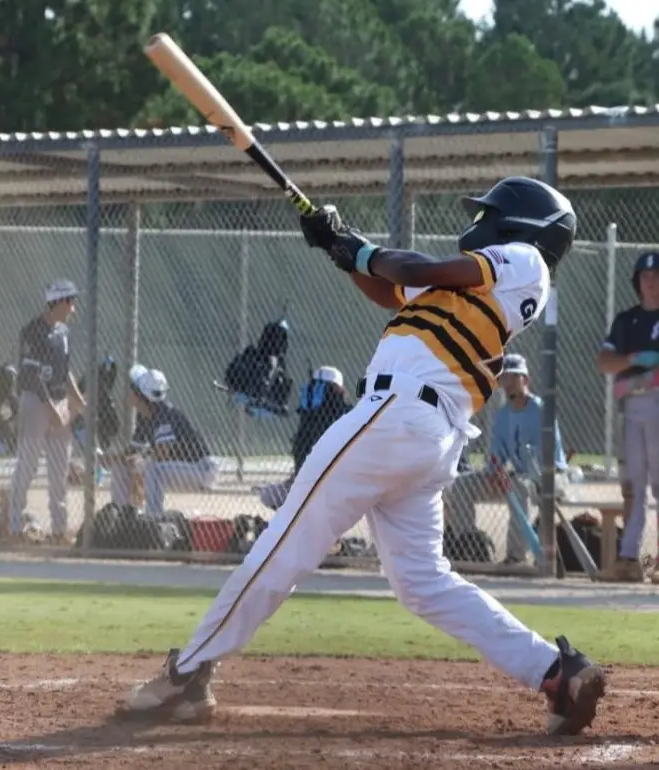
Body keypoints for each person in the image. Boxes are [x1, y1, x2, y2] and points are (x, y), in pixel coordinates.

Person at [124, 176, 605, 735]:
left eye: (489, 214)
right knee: (422, 582)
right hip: (422, 436)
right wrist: (339, 246)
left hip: (396, 417)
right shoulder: (463, 293)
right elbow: (392, 287)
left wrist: (363, 250)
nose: (478, 222)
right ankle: (555, 673)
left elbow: (416, 267)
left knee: (287, 540)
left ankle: (189, 671)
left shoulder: (525, 261)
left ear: (521, 223)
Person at [443, 353, 568, 564]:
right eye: (504, 378)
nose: (507, 383)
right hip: (514, 476)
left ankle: (515, 556)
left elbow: (549, 458)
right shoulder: (503, 415)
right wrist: (495, 471)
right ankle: (468, 545)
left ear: (526, 380)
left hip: (547, 476)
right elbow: (496, 453)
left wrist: (517, 475)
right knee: (462, 484)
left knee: (519, 487)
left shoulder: (540, 411)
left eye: (513, 377)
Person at [596, 250, 659, 583]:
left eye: (657, 276)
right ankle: (630, 558)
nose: (651, 282)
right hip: (633, 408)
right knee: (634, 486)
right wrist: (636, 360)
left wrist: (641, 376)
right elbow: (605, 362)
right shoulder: (627, 320)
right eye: (646, 277)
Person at [7, 280, 85, 544]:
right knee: (27, 465)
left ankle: (59, 531)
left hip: (59, 401)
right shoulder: (32, 331)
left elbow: (65, 371)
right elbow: (31, 374)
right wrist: (50, 408)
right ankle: (14, 526)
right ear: (58, 302)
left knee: (60, 470)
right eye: (70, 302)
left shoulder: (64, 332)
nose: (73, 308)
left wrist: (78, 400)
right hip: (35, 401)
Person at [106, 365, 219, 515]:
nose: (127, 391)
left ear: (140, 395)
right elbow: (131, 453)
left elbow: (163, 454)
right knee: (121, 467)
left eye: (132, 388)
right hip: (178, 468)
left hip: (201, 470)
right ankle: (122, 515)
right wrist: (109, 459)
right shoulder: (144, 416)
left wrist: (141, 461)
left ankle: (153, 517)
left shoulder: (164, 414)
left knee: (152, 469)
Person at [254, 365, 352, 511]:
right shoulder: (343, 409)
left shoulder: (307, 411)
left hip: (307, 478)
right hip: (333, 479)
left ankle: (298, 507)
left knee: (268, 496)